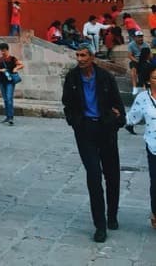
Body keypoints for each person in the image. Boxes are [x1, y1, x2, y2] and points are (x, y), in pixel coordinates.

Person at [62, 45, 126, 242]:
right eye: (78, 55)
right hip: (85, 131)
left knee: (112, 174)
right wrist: (75, 122)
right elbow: (67, 104)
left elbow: (118, 104)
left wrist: (116, 121)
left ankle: (112, 215)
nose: (80, 59)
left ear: (92, 57)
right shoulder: (72, 78)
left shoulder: (105, 77)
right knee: (94, 176)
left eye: (83, 55)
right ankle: (100, 225)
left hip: (106, 130)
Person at [126, 66, 156, 229]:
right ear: (148, 80)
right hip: (153, 146)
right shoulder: (143, 98)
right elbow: (132, 117)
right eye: (154, 78)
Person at [0, 42, 24, 125]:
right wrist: (1, 70)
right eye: (1, 51)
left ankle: (10, 117)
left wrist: (16, 68)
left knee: (9, 98)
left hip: (10, 81)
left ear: (7, 50)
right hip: (1, 81)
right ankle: (7, 116)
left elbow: (21, 65)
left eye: (4, 50)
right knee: (5, 99)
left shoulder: (12, 59)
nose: (2, 52)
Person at [128, 30, 148, 95]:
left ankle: (145, 86)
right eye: (139, 37)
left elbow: (149, 55)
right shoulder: (131, 45)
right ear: (135, 38)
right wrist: (137, 61)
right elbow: (130, 56)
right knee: (133, 69)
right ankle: (134, 87)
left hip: (144, 60)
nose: (140, 38)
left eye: (141, 37)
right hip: (135, 60)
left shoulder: (146, 44)